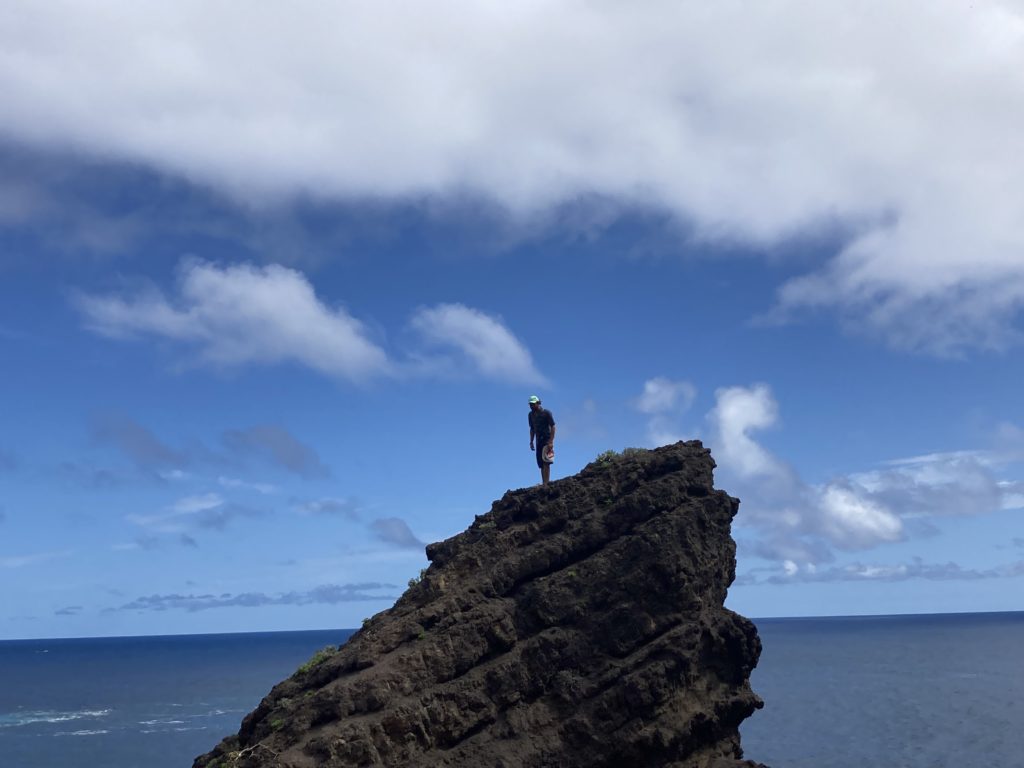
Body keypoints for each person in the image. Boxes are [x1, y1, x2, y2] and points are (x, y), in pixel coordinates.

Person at [528, 395, 556, 486]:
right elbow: (532, 429)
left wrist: (551, 441)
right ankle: (544, 482)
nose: (531, 406)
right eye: (530, 404)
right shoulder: (531, 415)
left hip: (547, 439)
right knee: (540, 463)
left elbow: (553, 426)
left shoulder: (546, 413)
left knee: (546, 461)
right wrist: (531, 441)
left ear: (538, 403)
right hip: (538, 441)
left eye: (533, 404)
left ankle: (546, 483)